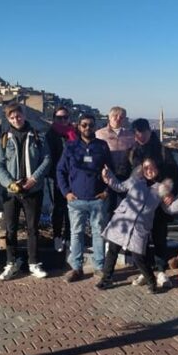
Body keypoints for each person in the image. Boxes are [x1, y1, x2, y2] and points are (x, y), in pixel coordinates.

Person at [97, 158, 178, 293]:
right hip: (122, 222)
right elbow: (119, 187)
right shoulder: (135, 181)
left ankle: (151, 281)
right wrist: (108, 176)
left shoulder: (161, 189)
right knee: (112, 250)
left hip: (140, 227)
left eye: (152, 167)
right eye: (146, 168)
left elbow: (169, 209)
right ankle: (105, 280)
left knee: (139, 257)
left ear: (157, 169)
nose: (149, 171)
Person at [0, 102, 52, 280]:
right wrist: (9, 183)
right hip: (11, 192)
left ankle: (33, 262)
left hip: (33, 189)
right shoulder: (4, 139)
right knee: (10, 229)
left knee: (32, 228)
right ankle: (12, 262)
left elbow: (47, 159)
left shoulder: (37, 136)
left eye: (18, 116)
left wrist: (34, 179)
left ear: (23, 115)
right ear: (8, 119)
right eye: (12, 117)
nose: (16, 119)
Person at [57, 113, 114, 282]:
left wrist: (106, 192)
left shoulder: (102, 146)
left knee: (98, 233)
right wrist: (66, 192)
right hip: (76, 200)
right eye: (84, 125)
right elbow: (61, 170)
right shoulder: (71, 147)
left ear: (95, 127)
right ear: (79, 126)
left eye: (91, 125)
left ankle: (99, 267)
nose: (88, 128)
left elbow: (110, 170)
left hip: (98, 200)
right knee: (76, 233)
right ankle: (76, 268)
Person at [128, 118, 178, 289]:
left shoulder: (162, 151)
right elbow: (126, 175)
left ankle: (160, 271)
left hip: (158, 203)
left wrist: (171, 193)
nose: (139, 135)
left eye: (142, 131)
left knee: (159, 237)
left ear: (149, 131)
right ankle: (145, 271)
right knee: (142, 239)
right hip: (140, 204)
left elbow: (175, 175)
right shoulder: (132, 152)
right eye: (136, 132)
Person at [45, 106, 77, 253]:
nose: (63, 120)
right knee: (58, 209)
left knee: (72, 209)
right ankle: (57, 236)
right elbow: (48, 157)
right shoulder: (50, 135)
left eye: (65, 117)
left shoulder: (74, 133)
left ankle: (69, 237)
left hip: (74, 178)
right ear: (54, 118)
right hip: (56, 177)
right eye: (59, 117)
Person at [96, 106, 135, 213]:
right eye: (115, 116)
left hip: (125, 177)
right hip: (106, 177)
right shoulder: (99, 134)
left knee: (124, 210)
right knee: (106, 210)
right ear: (109, 117)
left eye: (121, 117)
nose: (118, 118)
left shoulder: (130, 135)